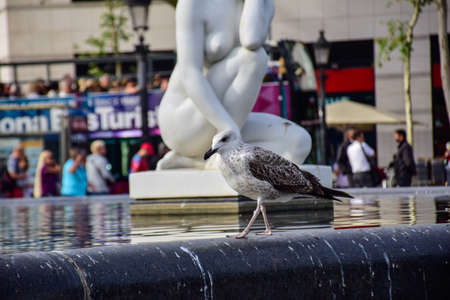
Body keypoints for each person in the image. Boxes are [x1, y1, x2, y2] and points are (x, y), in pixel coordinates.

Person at [156, 0, 311, 170]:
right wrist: (227, 127)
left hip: (225, 124)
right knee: (254, 58)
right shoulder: (193, 4)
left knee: (298, 143)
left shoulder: (263, 4)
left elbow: (251, 39)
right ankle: (224, 150)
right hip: (185, 119)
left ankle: (198, 161)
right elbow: (190, 73)